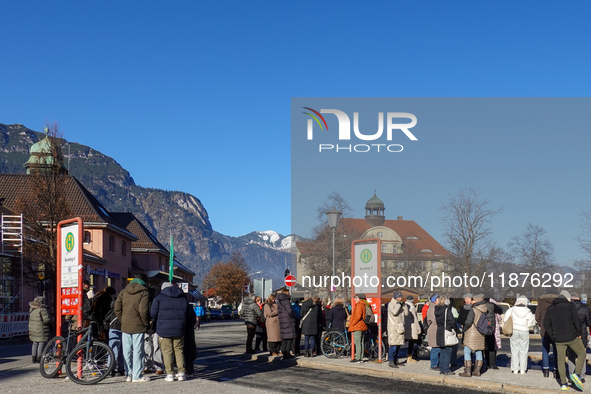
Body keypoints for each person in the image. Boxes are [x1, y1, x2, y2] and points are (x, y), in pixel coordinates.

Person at [544, 290, 586, 391]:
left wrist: (553, 336)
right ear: (567, 298)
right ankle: (576, 374)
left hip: (558, 339)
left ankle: (563, 383)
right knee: (582, 353)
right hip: (571, 336)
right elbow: (576, 320)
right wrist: (578, 333)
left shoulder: (550, 309)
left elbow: (546, 324)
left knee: (561, 360)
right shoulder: (570, 306)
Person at [114, 273, 151, 383]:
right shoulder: (144, 292)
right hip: (138, 325)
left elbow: (117, 308)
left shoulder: (124, 291)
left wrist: (123, 319)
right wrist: (146, 323)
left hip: (125, 325)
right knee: (138, 351)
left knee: (126, 351)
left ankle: (128, 374)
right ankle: (137, 375)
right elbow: (143, 311)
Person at [151, 282, 188, 382]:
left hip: (163, 329)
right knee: (179, 351)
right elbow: (187, 313)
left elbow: (153, 314)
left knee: (167, 352)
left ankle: (170, 374)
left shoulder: (158, 298)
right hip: (179, 328)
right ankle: (181, 373)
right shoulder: (183, 298)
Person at [503, 295, 535, 374]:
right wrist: (526, 326)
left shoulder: (511, 310)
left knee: (514, 350)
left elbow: (505, 320)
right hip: (524, 331)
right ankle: (523, 369)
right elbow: (532, 323)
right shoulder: (528, 311)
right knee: (524, 351)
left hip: (514, 330)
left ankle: (515, 369)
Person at [459, 294, 487, 378]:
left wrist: (464, 329)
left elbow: (469, 322)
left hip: (471, 332)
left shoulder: (473, 310)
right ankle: (477, 371)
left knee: (467, 350)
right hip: (481, 333)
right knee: (478, 351)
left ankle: (468, 371)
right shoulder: (484, 309)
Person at [567, 292, 591, 383]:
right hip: (582, 334)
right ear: (579, 298)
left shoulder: (567, 308)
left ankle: (571, 375)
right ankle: (581, 375)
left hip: (570, 334)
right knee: (582, 355)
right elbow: (589, 323)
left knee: (571, 356)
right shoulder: (585, 308)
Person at [536, 290, 559, 378]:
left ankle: (546, 370)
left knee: (545, 350)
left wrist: (541, 324)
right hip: (555, 329)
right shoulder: (557, 302)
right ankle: (556, 370)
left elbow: (537, 316)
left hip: (544, 330)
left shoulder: (542, 302)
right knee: (556, 351)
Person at [434, 296, 457, 375]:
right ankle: (446, 369)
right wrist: (456, 330)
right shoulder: (447, 309)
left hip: (439, 331)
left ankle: (441, 369)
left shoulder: (436, 309)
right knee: (448, 351)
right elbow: (452, 321)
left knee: (442, 351)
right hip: (447, 331)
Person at [387, 292, 408, 368]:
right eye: (399, 297)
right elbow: (394, 312)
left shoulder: (400, 304)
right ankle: (391, 361)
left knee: (398, 346)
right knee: (393, 346)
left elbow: (406, 313)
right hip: (393, 328)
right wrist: (399, 305)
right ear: (395, 297)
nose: (400, 299)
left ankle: (396, 360)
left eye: (401, 297)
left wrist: (404, 306)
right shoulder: (391, 304)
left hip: (400, 327)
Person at [105, 297, 125, 377]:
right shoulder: (123, 309)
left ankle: (111, 368)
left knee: (114, 349)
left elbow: (106, 319)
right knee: (120, 350)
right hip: (121, 328)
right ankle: (119, 368)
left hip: (113, 328)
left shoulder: (112, 309)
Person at [28, 296, 51, 363]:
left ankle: (33, 357)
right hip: (41, 328)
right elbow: (46, 320)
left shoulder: (32, 309)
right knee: (41, 342)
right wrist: (52, 319)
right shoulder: (42, 309)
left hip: (32, 328)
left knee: (35, 343)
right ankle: (39, 357)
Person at [276, 287, 296, 359]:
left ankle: (284, 352)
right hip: (288, 320)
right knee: (290, 337)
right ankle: (287, 353)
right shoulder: (286, 300)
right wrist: (293, 316)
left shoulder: (279, 301)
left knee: (284, 337)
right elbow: (289, 310)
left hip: (282, 320)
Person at [483, 297, 503, 371]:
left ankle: (486, 363)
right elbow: (500, 311)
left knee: (484, 347)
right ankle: (492, 364)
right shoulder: (492, 305)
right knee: (492, 347)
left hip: (482, 328)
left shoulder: (479, 304)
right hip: (491, 328)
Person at [348, 293, 369, 363]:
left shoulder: (359, 305)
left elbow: (357, 316)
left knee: (357, 342)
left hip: (358, 326)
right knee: (361, 342)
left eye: (356, 298)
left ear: (359, 298)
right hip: (362, 325)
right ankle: (361, 357)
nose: (355, 299)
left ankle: (358, 358)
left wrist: (352, 323)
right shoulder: (364, 304)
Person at [300, 293, 319, 357]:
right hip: (314, 323)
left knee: (306, 338)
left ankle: (306, 352)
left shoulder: (304, 305)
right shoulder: (315, 305)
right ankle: (311, 352)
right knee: (312, 338)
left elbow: (301, 314)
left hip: (306, 323)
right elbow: (317, 315)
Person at [404, 295, 421, 363]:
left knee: (402, 341)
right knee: (411, 342)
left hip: (405, 325)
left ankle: (394, 357)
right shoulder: (412, 307)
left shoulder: (403, 306)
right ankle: (409, 357)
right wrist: (418, 328)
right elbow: (415, 319)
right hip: (412, 326)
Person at [426, 294, 440, 371]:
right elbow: (434, 320)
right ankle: (434, 365)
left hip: (435, 329)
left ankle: (436, 363)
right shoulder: (433, 308)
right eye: (438, 298)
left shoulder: (434, 307)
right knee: (435, 348)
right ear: (435, 300)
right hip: (434, 329)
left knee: (437, 348)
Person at [184, 301, 198, 379]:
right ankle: (189, 371)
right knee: (189, 350)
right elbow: (193, 320)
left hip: (175, 330)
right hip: (188, 332)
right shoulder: (187, 305)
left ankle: (178, 371)